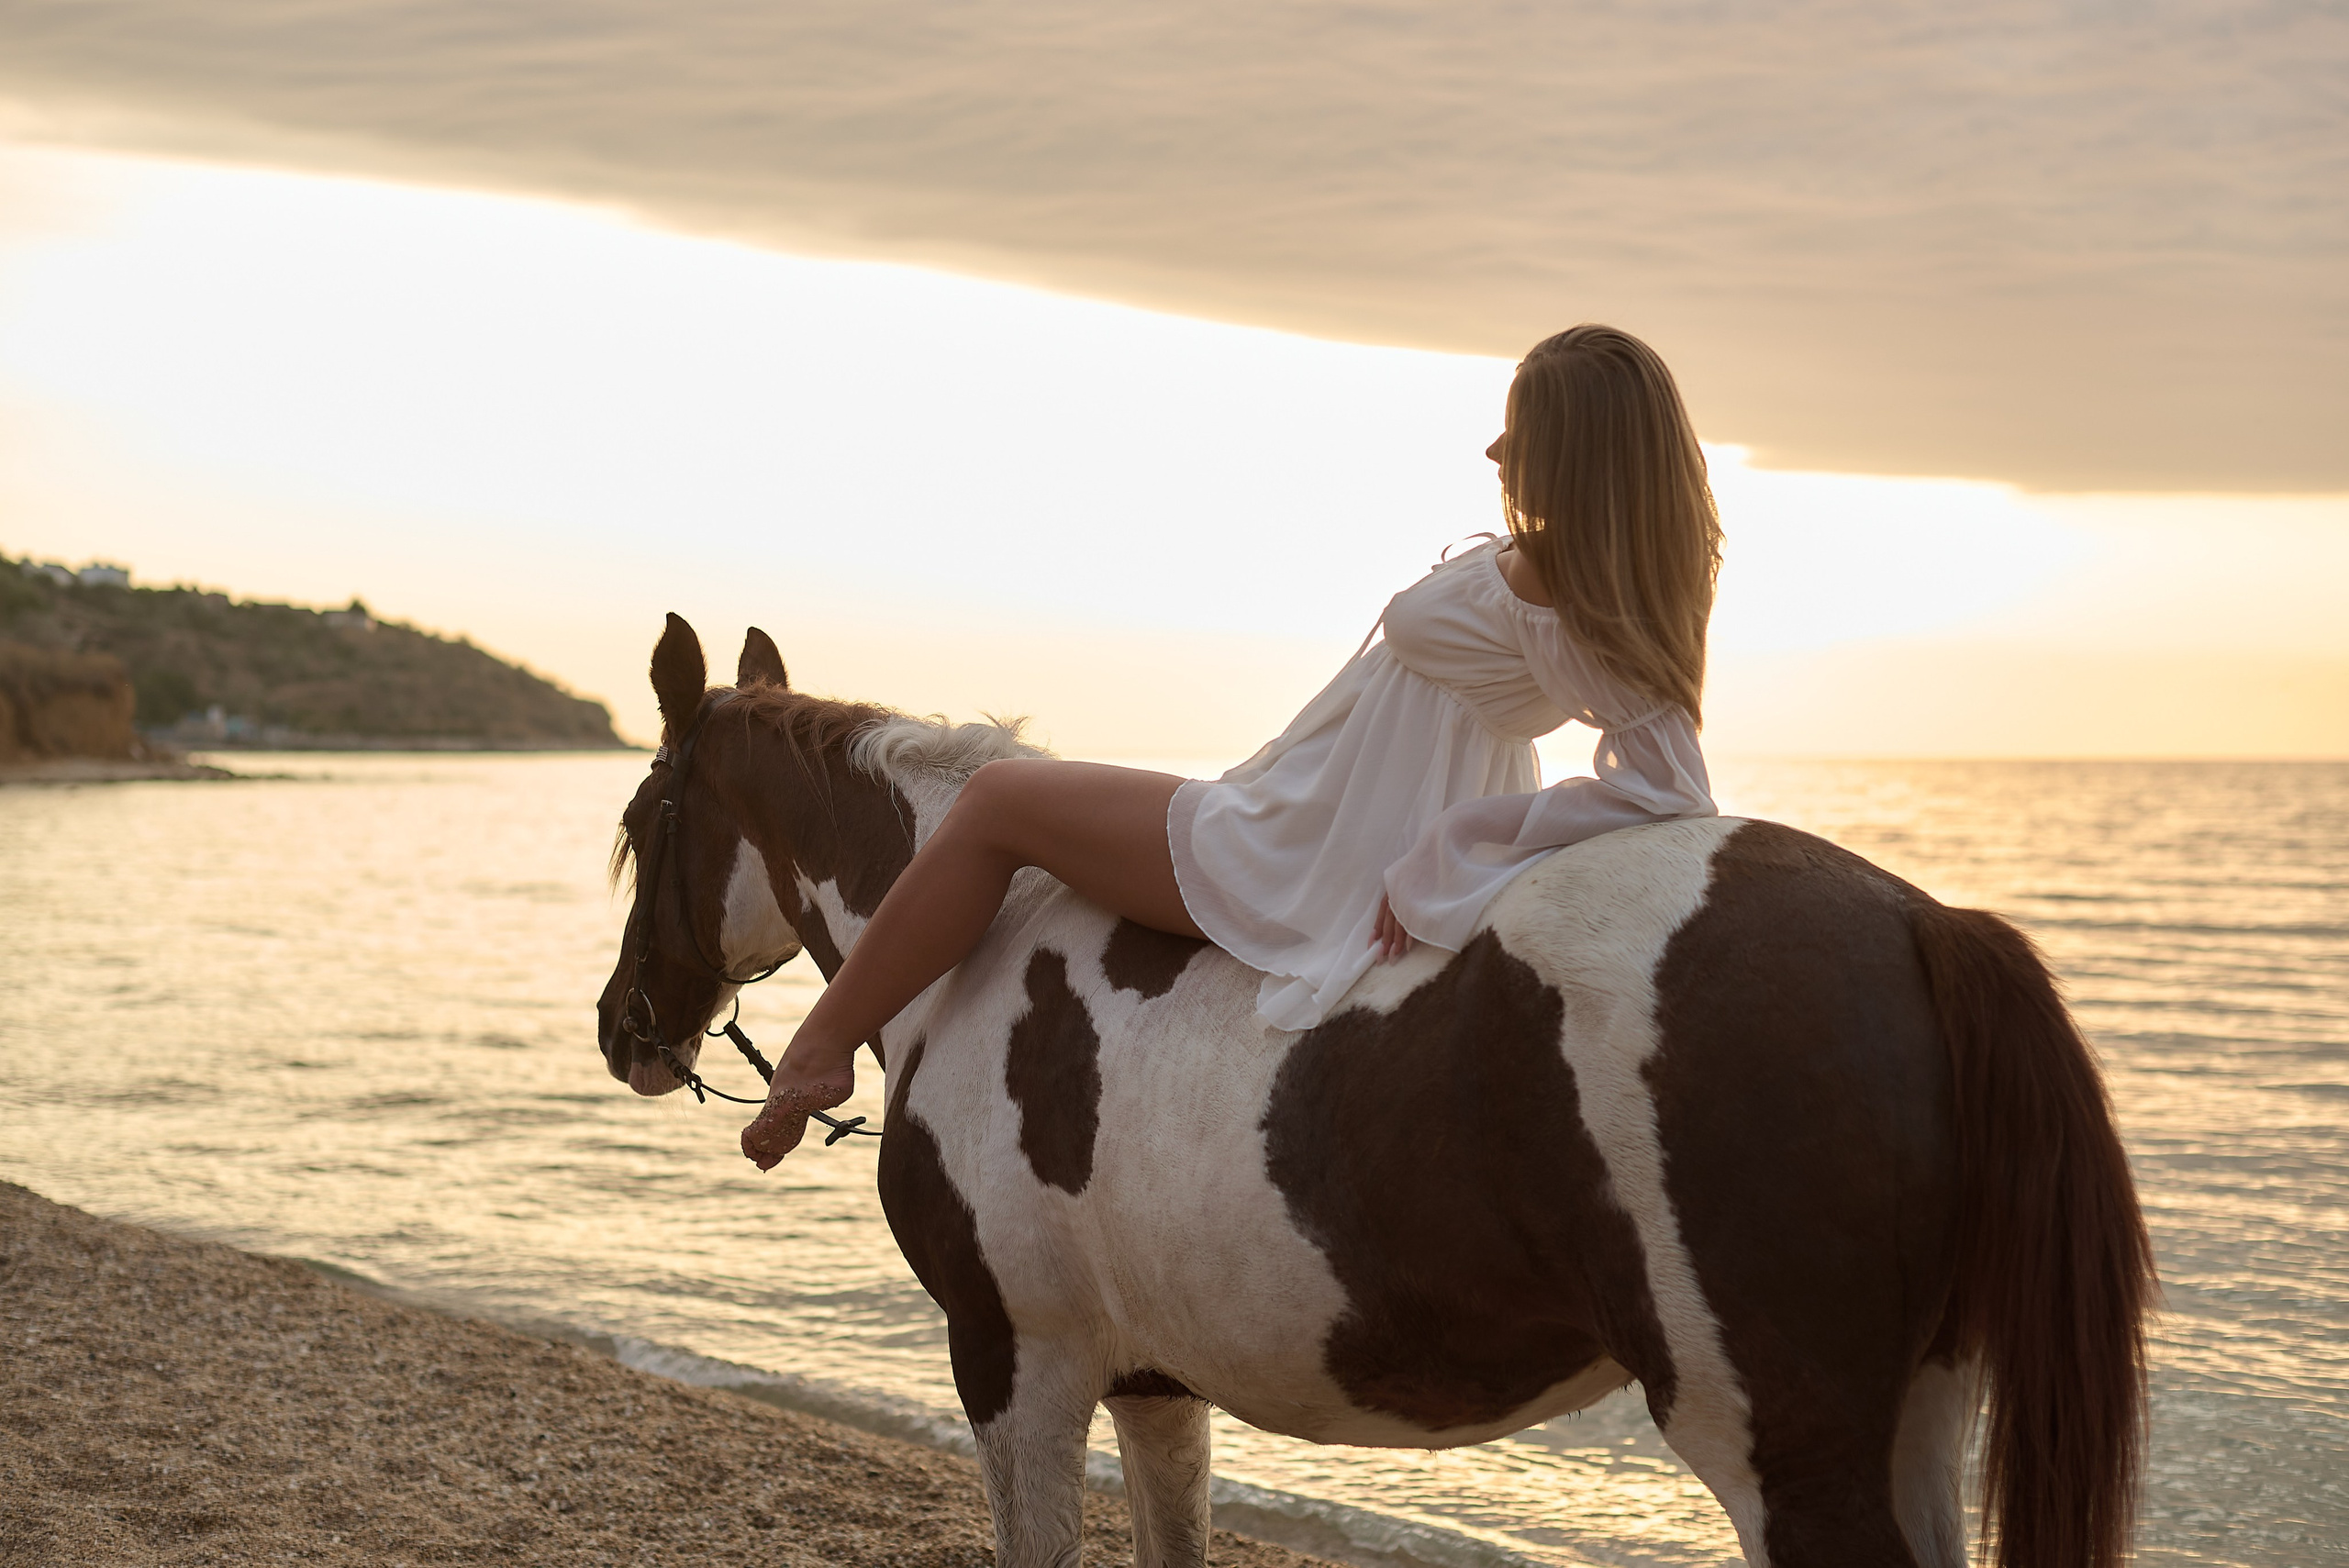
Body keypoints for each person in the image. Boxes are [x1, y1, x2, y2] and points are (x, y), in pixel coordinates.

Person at [742, 324, 1720, 1170]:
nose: (1494, 446)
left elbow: (1671, 786)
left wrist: (1463, 837)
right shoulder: (1584, 572)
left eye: (1525, 429)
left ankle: (820, 1046)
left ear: (1581, 454)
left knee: (997, 799)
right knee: (1005, 799)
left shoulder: (1566, 594)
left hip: (1313, 842)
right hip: (1306, 804)